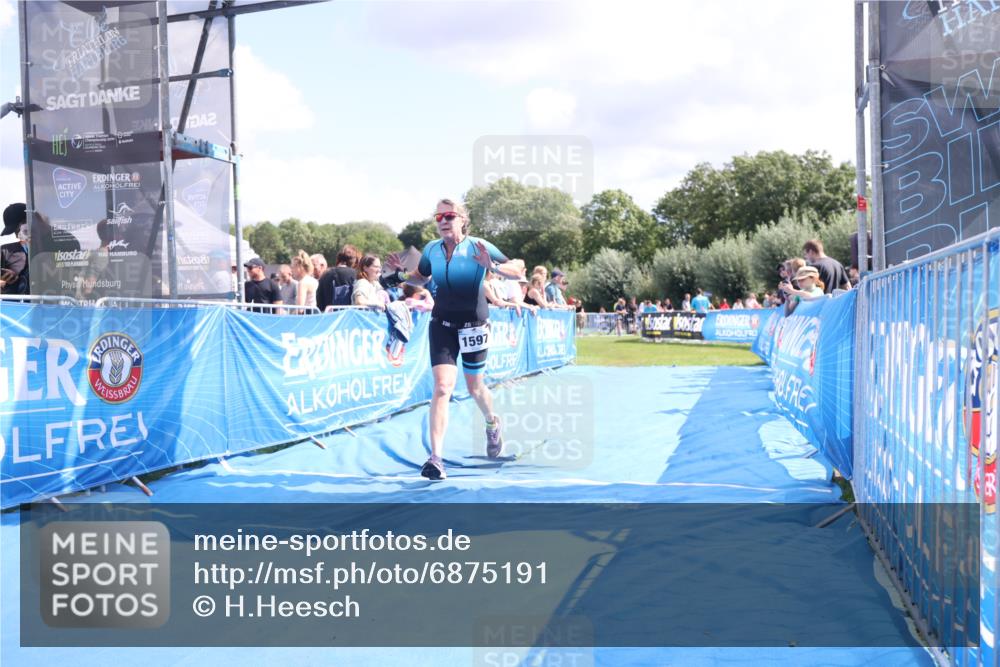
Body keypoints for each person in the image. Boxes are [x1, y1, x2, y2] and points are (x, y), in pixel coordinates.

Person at [391, 198, 524, 480]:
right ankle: (436, 459)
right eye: (438, 217)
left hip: (474, 324)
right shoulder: (431, 250)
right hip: (442, 323)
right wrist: (399, 276)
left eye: (449, 215)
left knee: (475, 387)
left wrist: (494, 268)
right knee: (441, 388)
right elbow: (421, 277)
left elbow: (518, 268)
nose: (443, 221)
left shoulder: (479, 246)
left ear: (463, 219)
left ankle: (492, 422)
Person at [317, 244, 359, 311]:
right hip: (348, 317)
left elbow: (319, 299)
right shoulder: (355, 274)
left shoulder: (325, 274)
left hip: (328, 316)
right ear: (354, 260)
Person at [1, 203, 29, 294]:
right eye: (14, 232)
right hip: (16, 306)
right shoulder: (5, 251)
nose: (17, 235)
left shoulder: (51, 247)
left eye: (17, 229)